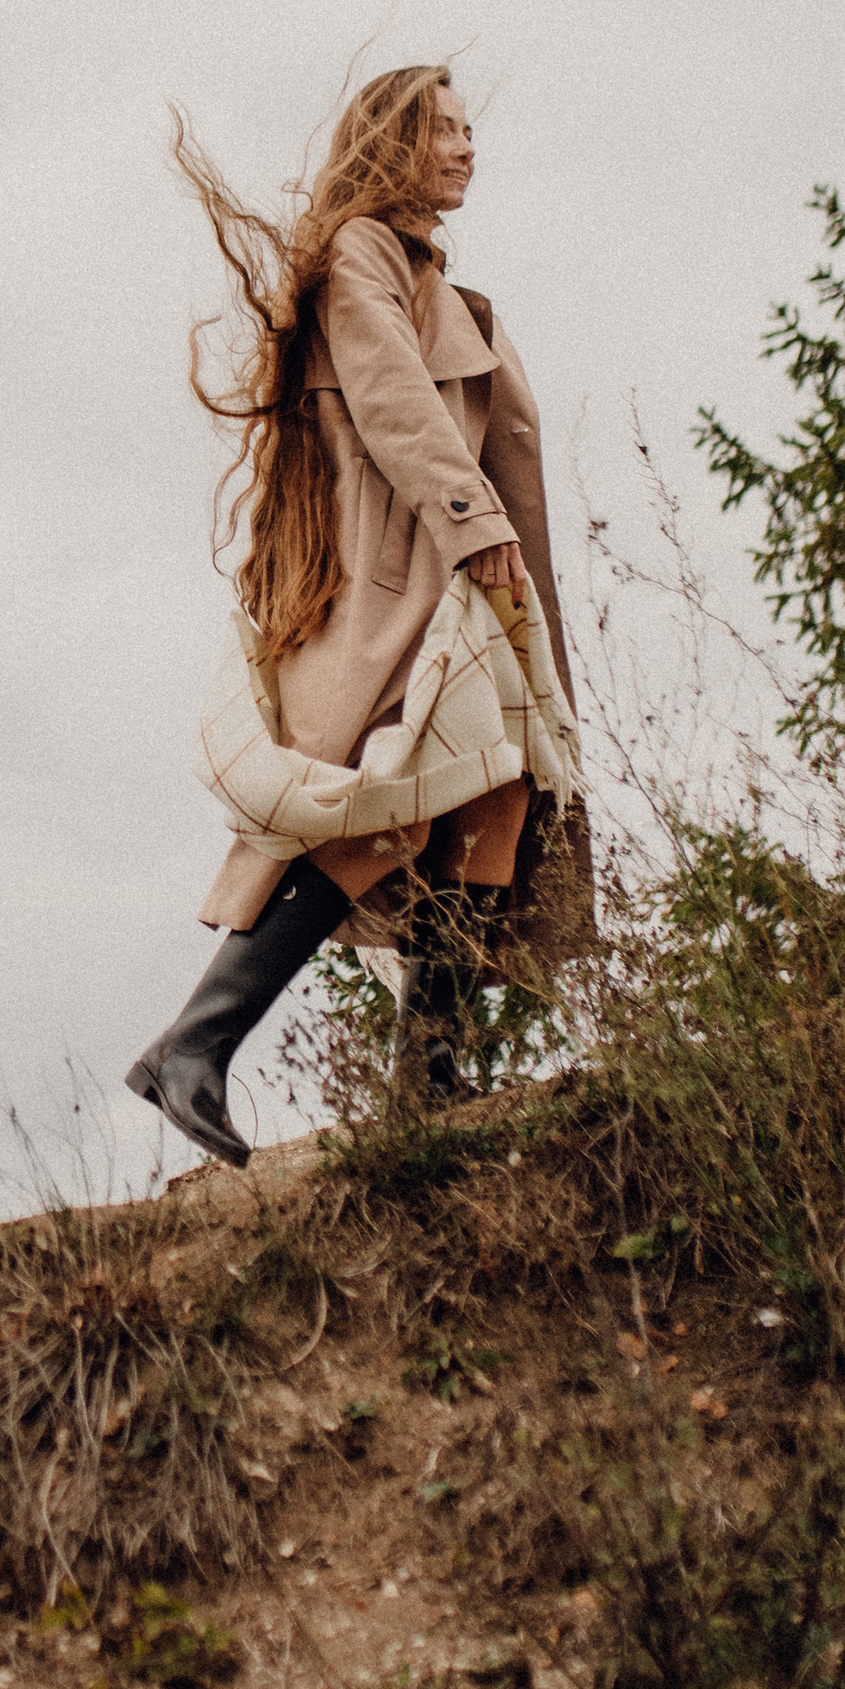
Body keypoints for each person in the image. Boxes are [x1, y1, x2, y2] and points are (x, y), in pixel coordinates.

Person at [125, 63, 588, 1168]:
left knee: (489, 793)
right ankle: (197, 1043)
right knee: (396, 801)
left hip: (458, 581)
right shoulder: (362, 252)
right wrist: (473, 521)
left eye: (471, 129)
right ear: (392, 143)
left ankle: (427, 1081)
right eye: (446, 129)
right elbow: (391, 397)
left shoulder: (432, 275)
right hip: (410, 575)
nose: (468, 147)